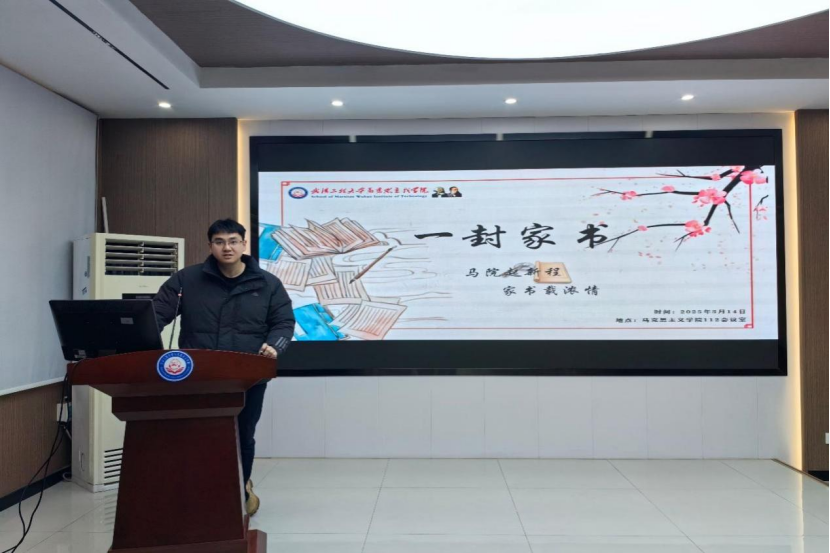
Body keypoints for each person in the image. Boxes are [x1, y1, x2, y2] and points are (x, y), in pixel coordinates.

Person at [153, 218, 295, 516]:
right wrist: (134, 338)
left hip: (248, 376)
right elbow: (156, 314)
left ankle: (238, 492)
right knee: (198, 434)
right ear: (210, 246)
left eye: (233, 241)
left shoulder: (268, 283)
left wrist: (276, 344)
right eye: (219, 242)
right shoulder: (186, 280)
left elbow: (283, 322)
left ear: (244, 244)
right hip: (198, 376)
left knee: (242, 435)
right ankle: (201, 493)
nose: (226, 247)